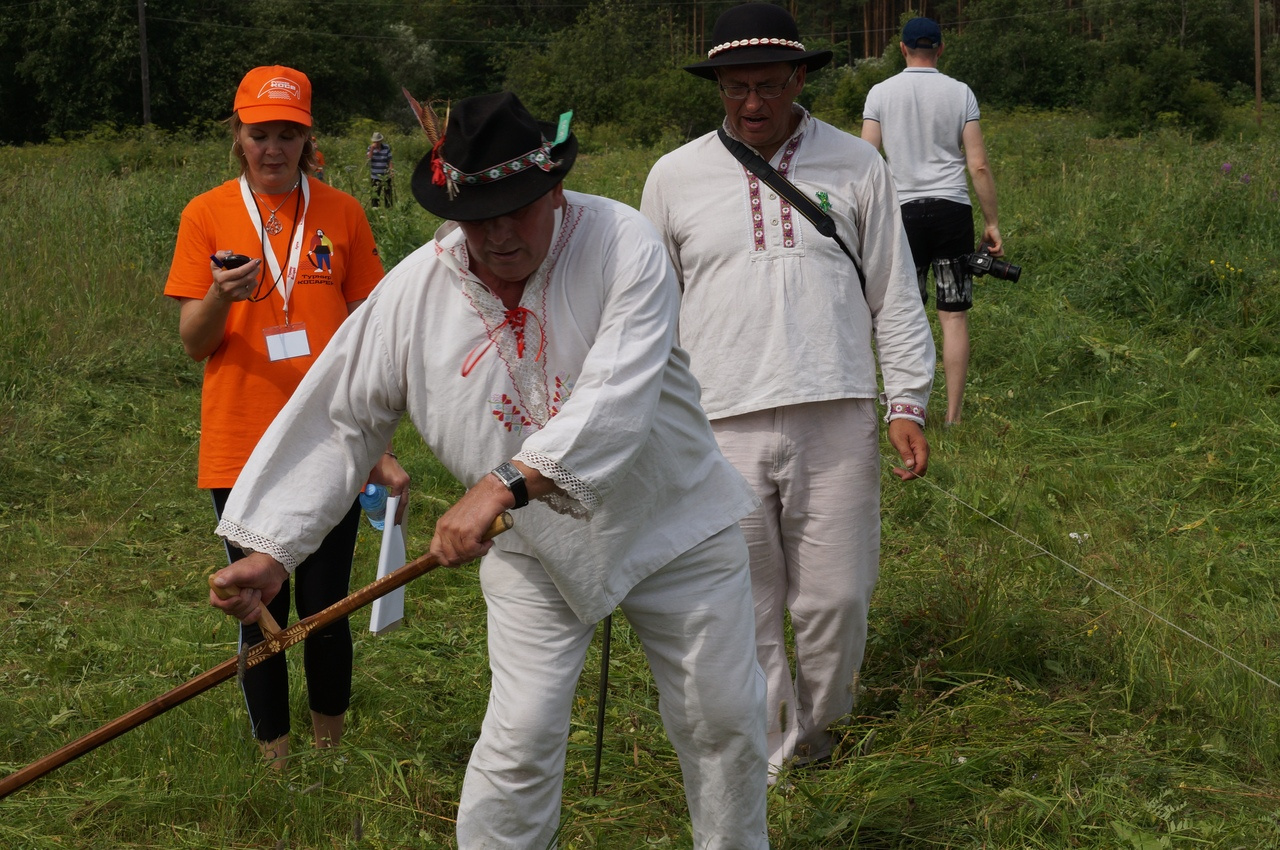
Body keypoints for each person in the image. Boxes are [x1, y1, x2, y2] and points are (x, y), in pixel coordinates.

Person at [208, 91, 770, 848]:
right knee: (521, 737)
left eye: (519, 209)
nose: (500, 234)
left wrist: (504, 481)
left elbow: (617, 394)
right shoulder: (417, 288)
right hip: (533, 548)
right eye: (479, 217)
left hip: (674, 522)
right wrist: (274, 548)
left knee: (722, 719)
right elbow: (341, 415)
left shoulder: (621, 242)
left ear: (555, 192)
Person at [641, 3, 935, 779]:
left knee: (837, 599)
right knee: (746, 603)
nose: (752, 104)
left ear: (799, 78)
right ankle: (774, 753)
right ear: (718, 87)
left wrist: (907, 401)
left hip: (836, 409)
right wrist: (647, 424)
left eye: (768, 85)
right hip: (716, 422)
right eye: (736, 88)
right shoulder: (673, 177)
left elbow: (895, 292)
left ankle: (818, 725)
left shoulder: (856, 165)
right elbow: (648, 313)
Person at [164, 65, 405, 770]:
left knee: (327, 608)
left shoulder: (342, 214)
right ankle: (276, 757)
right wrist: (219, 295)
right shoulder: (205, 214)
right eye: (259, 134)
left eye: (288, 135)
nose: (273, 149)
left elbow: (372, 330)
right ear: (237, 137)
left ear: (309, 138)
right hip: (243, 442)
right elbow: (193, 342)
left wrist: (378, 441)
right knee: (256, 605)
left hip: (333, 439)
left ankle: (329, 754)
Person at [861, 16, 1003, 426]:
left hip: (900, 213)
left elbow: (866, 160)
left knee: (896, 313)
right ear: (940, 49)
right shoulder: (960, 93)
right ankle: (953, 418)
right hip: (951, 211)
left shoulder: (880, 93)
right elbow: (977, 165)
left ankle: (900, 410)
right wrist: (992, 223)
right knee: (953, 315)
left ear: (902, 49)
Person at [367, 131, 393, 207]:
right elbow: (368, 159)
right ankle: (375, 209)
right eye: (375, 142)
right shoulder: (370, 148)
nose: (376, 143)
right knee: (375, 194)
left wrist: (391, 171)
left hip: (385, 175)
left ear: (381, 141)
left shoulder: (386, 147)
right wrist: (372, 149)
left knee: (388, 194)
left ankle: (389, 209)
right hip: (375, 176)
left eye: (378, 142)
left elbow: (390, 160)